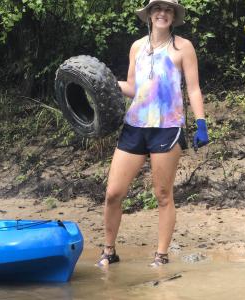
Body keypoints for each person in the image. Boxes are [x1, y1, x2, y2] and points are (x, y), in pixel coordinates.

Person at [96, 0, 209, 267]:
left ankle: (161, 255)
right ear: (148, 14)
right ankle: (109, 251)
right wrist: (104, 80)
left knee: (162, 194)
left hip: (167, 128)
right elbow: (134, 88)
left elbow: (193, 89)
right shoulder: (137, 47)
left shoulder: (183, 47)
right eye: (157, 8)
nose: (162, 13)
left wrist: (201, 122)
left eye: (168, 9)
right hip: (135, 126)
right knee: (113, 192)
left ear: (173, 16)